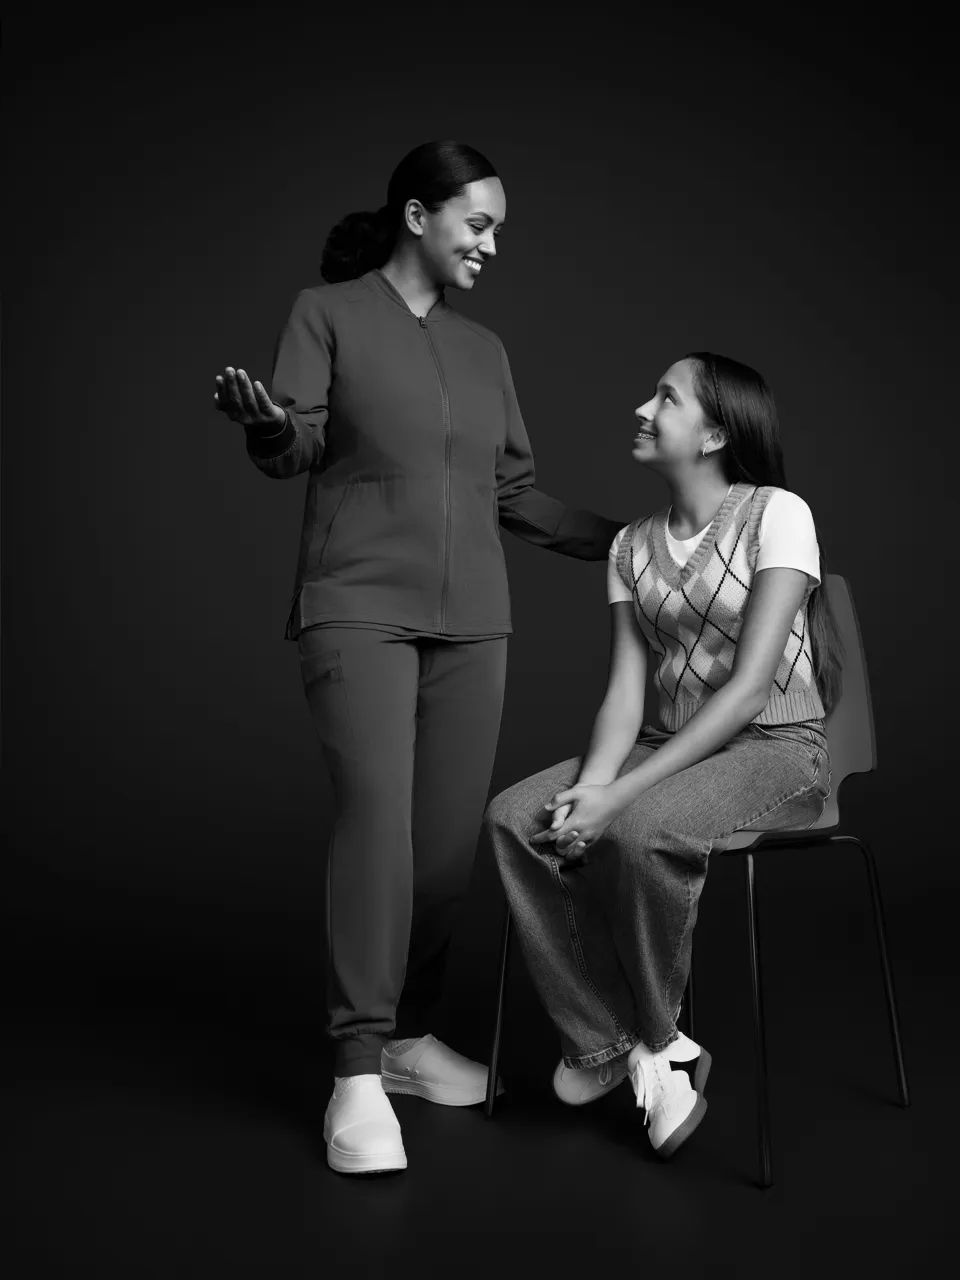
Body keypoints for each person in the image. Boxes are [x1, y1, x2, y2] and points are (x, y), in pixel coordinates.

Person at [212, 140, 623, 1175]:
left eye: (497, 229)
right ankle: (355, 1071)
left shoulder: (485, 349)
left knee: (441, 854)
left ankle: (405, 1039)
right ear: (416, 215)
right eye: (477, 223)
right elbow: (299, 444)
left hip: (473, 624)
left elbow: (513, 493)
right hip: (358, 612)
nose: (491, 244)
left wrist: (632, 538)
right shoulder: (327, 312)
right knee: (377, 835)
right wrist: (267, 428)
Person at [482, 351, 843, 1160]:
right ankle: (628, 1046)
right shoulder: (629, 547)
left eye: (667, 399)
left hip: (778, 745)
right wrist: (593, 790)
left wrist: (617, 800)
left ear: (714, 434)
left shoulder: (777, 514)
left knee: (642, 829)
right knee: (516, 818)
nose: (643, 410)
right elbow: (623, 696)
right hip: (673, 744)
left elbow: (749, 691)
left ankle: (653, 1044)